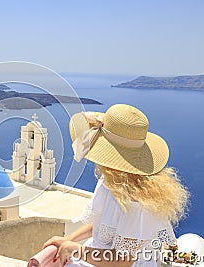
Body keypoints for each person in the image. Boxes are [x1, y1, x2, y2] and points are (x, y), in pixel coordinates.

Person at [43, 104, 189, 267]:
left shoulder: (138, 204)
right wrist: (69, 239)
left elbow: (122, 261)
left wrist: (75, 249)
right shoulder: (110, 181)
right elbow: (102, 226)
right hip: (97, 256)